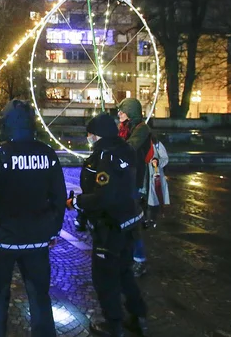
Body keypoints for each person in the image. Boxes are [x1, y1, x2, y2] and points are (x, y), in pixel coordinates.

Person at [0, 100, 67, 337]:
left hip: (4, 240)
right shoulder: (47, 153)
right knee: (40, 295)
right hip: (38, 239)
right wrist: (53, 230)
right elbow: (59, 197)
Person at [67, 114, 148, 337]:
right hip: (129, 221)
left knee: (104, 277)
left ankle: (113, 325)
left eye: (90, 134)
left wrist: (77, 202)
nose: (88, 138)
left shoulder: (104, 156)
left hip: (110, 225)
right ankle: (137, 316)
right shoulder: (126, 150)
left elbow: (103, 197)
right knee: (124, 272)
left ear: (96, 135)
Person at [117, 98, 151, 277]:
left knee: (132, 222)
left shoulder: (141, 129)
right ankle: (128, 255)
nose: (119, 114)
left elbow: (129, 148)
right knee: (123, 219)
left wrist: (113, 144)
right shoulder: (123, 129)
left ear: (131, 112)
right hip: (124, 179)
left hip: (136, 181)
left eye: (122, 111)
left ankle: (140, 259)